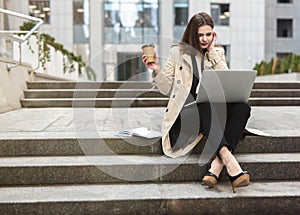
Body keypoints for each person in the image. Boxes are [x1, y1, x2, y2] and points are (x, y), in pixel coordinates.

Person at [141, 12, 251, 193]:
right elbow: (168, 89)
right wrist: (157, 71)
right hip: (185, 118)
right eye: (201, 35)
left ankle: (216, 166)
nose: (205, 39)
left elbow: (226, 80)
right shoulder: (177, 52)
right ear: (193, 34)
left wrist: (212, 53)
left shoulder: (217, 52)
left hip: (212, 112)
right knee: (204, 104)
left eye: (209, 34)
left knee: (242, 108)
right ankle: (229, 160)